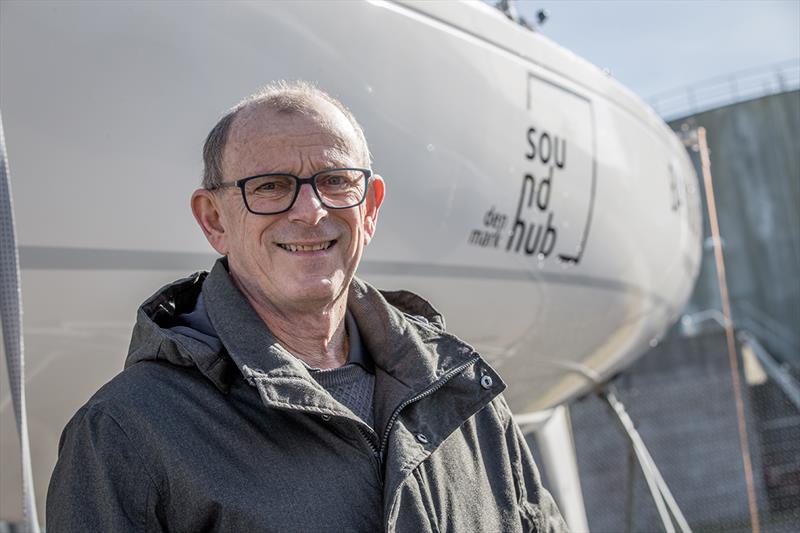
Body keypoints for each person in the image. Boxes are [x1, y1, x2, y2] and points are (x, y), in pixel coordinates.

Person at [46, 81, 568, 532]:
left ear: (370, 209)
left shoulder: (461, 399)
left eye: (335, 181)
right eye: (270, 187)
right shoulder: (127, 430)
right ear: (214, 221)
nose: (311, 211)